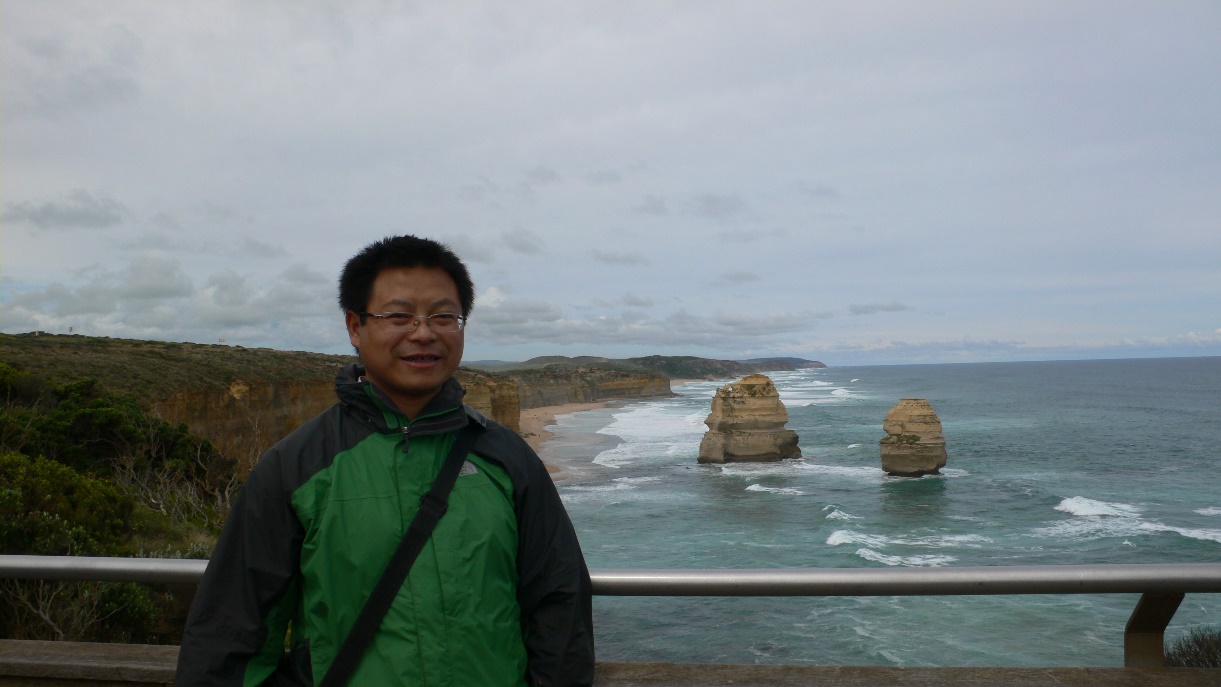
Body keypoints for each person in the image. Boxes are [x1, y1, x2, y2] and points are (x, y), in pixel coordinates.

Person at [176, 235, 594, 686]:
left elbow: (561, 605)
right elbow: (230, 637)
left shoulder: (508, 458)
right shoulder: (297, 468)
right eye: (398, 316)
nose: (423, 333)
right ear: (355, 327)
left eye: (443, 316)